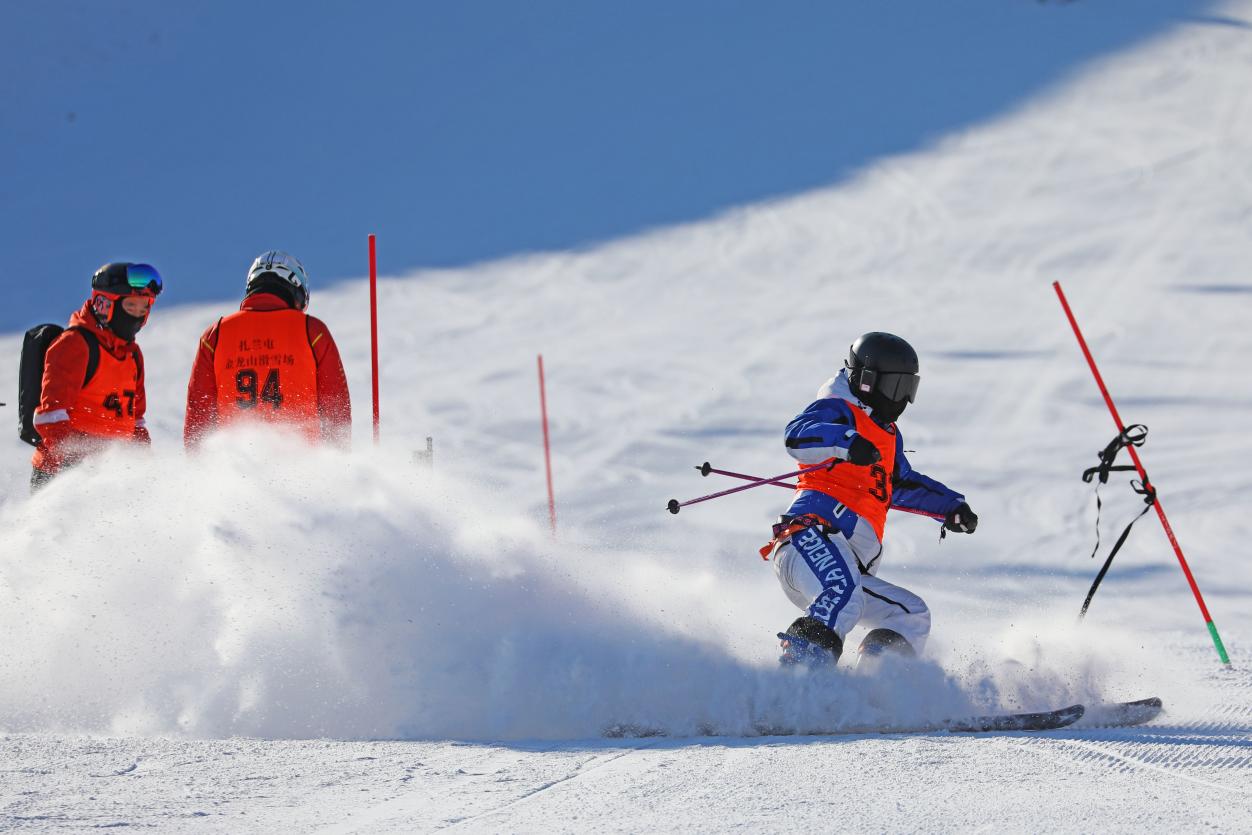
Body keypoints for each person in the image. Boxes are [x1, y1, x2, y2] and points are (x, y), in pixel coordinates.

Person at [763, 332, 978, 666]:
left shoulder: (887, 435)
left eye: (908, 389)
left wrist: (951, 507)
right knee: (842, 593)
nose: (901, 400)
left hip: (845, 562)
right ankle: (796, 686)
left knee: (910, 614)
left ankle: (878, 690)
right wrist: (846, 441)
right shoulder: (838, 409)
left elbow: (900, 484)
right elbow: (798, 435)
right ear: (866, 381)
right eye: (895, 388)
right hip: (808, 540)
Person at [184, 250, 350, 447]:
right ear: (297, 289)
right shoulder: (313, 331)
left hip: (235, 467)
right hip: (303, 465)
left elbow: (198, 415)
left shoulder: (215, 335)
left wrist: (197, 471)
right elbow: (335, 406)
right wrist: (339, 464)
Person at [30, 262, 162, 489]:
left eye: (144, 309)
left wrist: (143, 465)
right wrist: (83, 460)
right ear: (104, 304)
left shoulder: (133, 355)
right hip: (63, 473)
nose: (138, 316)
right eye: (131, 307)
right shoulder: (75, 345)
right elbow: (50, 417)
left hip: (111, 477)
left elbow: (136, 422)